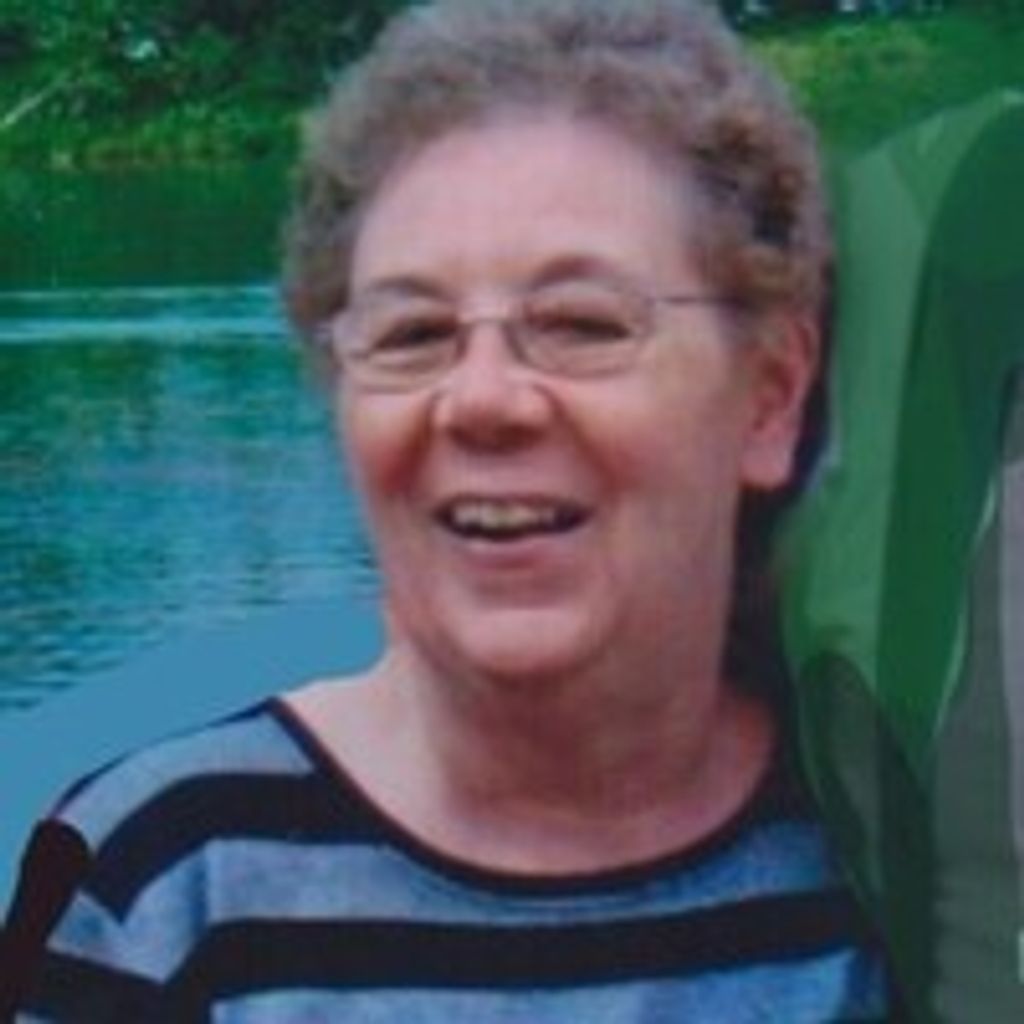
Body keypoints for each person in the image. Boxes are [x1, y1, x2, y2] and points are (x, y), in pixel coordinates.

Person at [22, 0, 891, 1019]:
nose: (481, 399)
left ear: (772, 394)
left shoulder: (907, 870)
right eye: (412, 334)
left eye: (581, 323)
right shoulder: (161, 880)